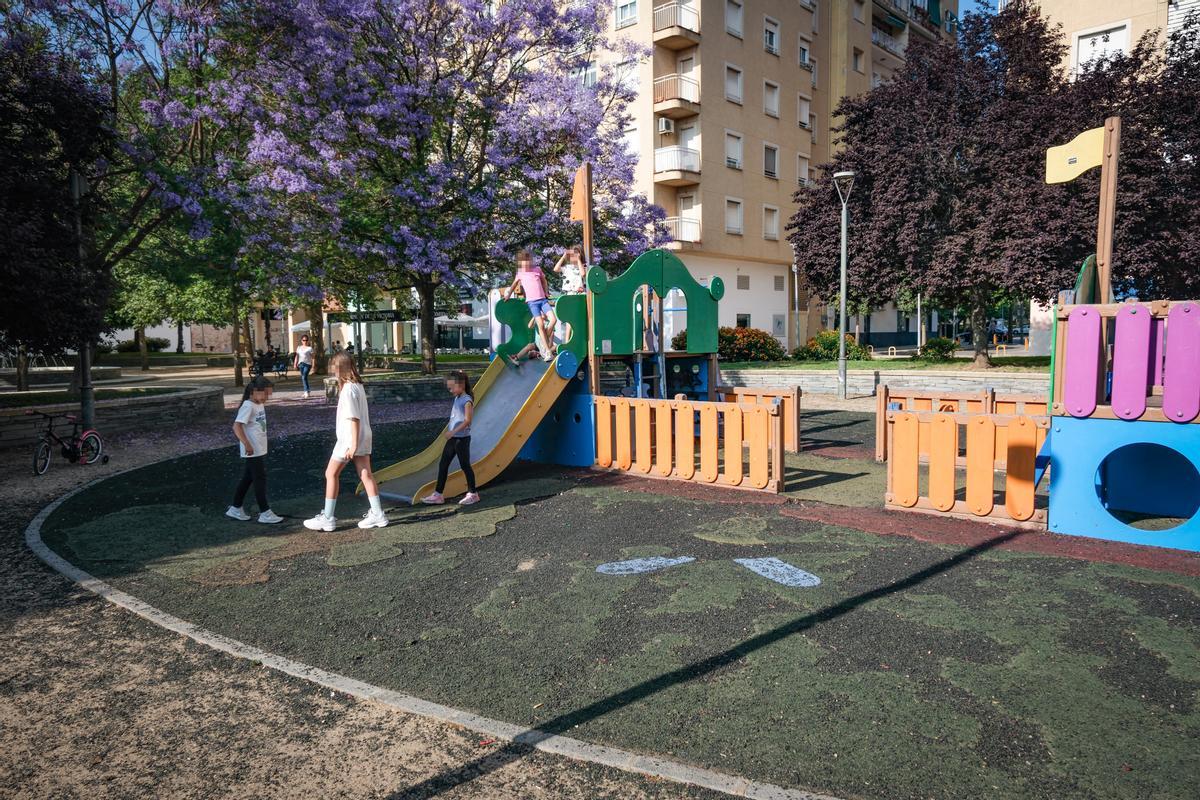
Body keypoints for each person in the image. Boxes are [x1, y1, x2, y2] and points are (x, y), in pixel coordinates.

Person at [303, 351, 389, 531]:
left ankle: (327, 517)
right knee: (366, 474)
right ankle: (378, 513)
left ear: (340, 367)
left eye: (334, 366)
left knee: (331, 473)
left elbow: (353, 418)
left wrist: (353, 444)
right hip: (362, 436)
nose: (332, 370)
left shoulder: (349, 389)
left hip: (349, 439)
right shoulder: (357, 385)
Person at [226, 376, 283, 524]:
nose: (267, 398)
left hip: (258, 449)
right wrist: (247, 444)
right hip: (252, 451)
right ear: (254, 391)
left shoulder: (258, 404)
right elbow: (236, 426)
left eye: (269, 394)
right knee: (259, 479)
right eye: (265, 394)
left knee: (248, 478)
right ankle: (265, 512)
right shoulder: (248, 406)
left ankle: (235, 508)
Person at [421, 370, 479, 506]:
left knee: (465, 465)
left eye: (452, 388)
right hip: (454, 439)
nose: (451, 390)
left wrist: (453, 432)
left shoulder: (467, 401)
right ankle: (438, 494)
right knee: (443, 465)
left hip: (461, 439)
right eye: (449, 388)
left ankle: (473, 493)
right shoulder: (458, 397)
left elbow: (467, 421)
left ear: (461, 385)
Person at [503, 250, 556, 361]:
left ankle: (544, 340)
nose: (525, 264)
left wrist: (546, 292)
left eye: (527, 261)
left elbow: (544, 281)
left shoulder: (537, 269)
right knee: (540, 325)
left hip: (543, 300)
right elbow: (513, 285)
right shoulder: (520, 273)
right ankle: (547, 351)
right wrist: (508, 295)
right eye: (523, 262)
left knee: (553, 320)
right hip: (532, 303)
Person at [294, 334, 315, 399]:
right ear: (301, 341)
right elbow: (297, 356)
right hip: (301, 364)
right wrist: (295, 364)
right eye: (303, 340)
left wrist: (313, 365)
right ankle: (307, 391)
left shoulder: (310, 348)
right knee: (304, 378)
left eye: (306, 340)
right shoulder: (299, 348)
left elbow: (313, 357)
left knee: (304, 377)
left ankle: (306, 391)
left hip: (307, 364)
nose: (305, 341)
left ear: (308, 341)